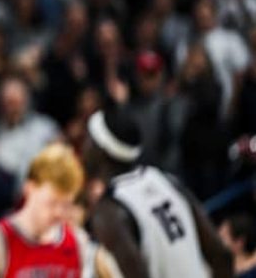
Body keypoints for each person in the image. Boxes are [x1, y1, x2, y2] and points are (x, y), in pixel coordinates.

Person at [84, 109, 232, 277]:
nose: (83, 146)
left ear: (101, 150)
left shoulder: (109, 210)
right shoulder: (166, 180)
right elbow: (222, 256)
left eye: (88, 139)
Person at [0, 143, 122, 278]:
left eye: (66, 204)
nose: (59, 212)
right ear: (29, 188)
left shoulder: (79, 242)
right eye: (52, 202)